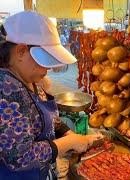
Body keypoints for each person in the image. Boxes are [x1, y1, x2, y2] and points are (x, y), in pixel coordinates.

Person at [0, 11, 102, 179]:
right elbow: (19, 157)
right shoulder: (5, 90)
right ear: (20, 52)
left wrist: (69, 134)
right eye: (45, 60)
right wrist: (70, 142)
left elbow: (47, 120)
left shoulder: (29, 78)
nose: (48, 69)